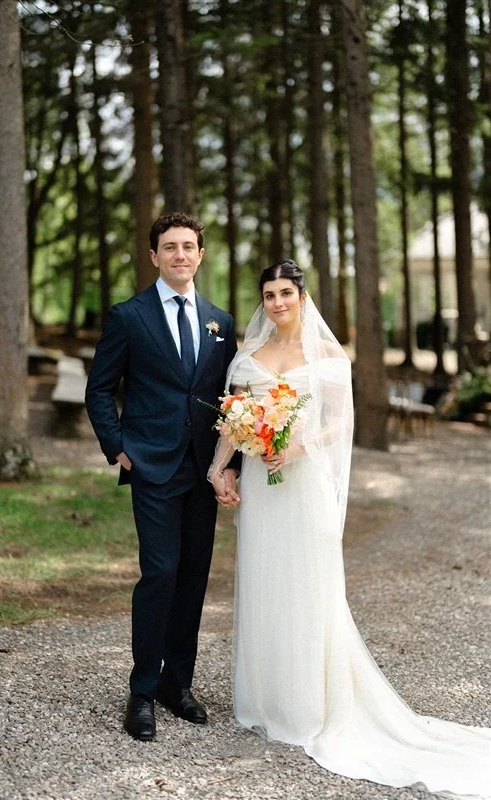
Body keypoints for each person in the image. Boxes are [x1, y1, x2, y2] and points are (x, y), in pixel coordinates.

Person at [210, 259, 490, 799]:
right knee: (267, 582)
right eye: (268, 294)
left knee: (311, 588)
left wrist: (299, 444)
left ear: (302, 295)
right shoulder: (247, 356)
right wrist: (217, 469)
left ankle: (310, 705)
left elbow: (341, 420)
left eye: (285, 292)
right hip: (263, 491)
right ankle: (266, 701)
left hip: (305, 483)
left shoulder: (327, 355)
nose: (277, 303)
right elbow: (235, 419)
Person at [85, 212, 240, 742]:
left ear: (200, 255)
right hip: (151, 465)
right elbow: (100, 389)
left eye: (188, 246)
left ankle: (179, 684)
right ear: (154, 256)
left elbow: (230, 400)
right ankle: (143, 691)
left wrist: (228, 465)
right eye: (169, 247)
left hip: (203, 470)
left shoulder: (220, 321)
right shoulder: (129, 316)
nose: (179, 254)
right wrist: (119, 447)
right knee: (160, 575)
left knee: (194, 579)